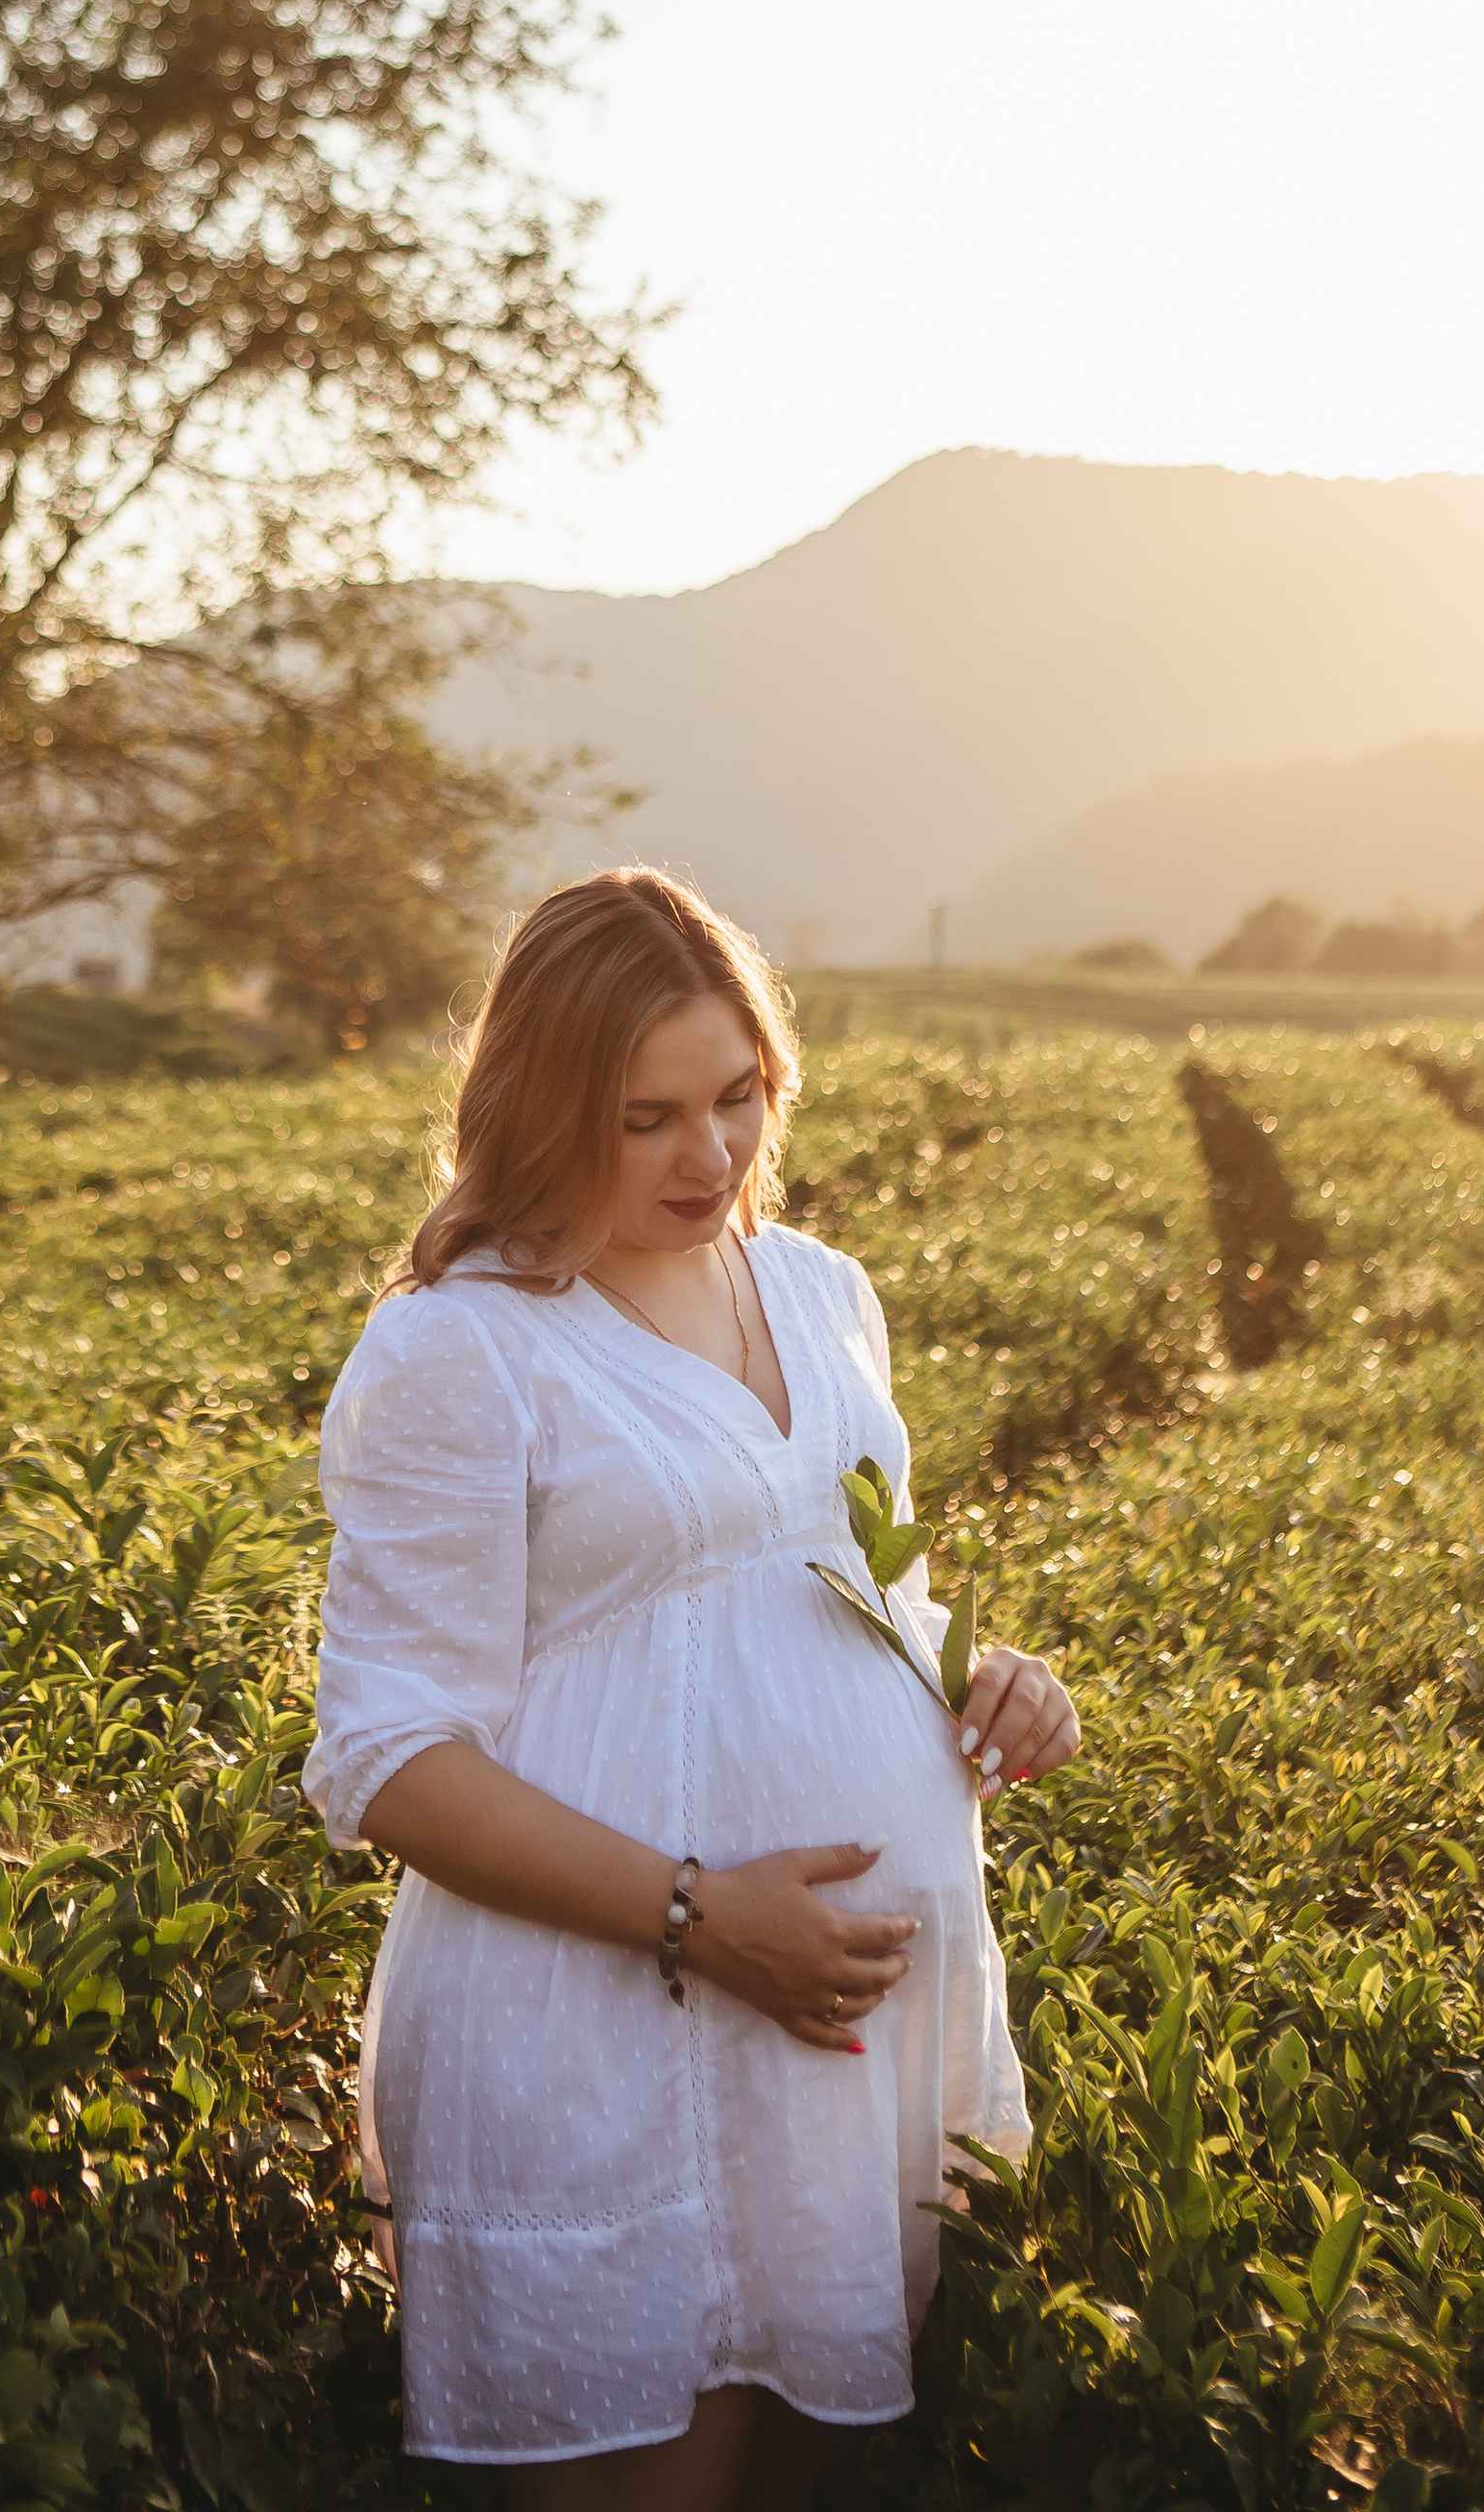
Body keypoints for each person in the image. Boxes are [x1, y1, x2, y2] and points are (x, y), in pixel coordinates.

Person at [302, 868, 1082, 2507]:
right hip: (607, 2023)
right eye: (645, 1117)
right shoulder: (467, 1346)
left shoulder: (819, 1289)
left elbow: (869, 1591)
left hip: (844, 2027)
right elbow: (390, 1756)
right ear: (539, 1106)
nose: (708, 1158)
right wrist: (700, 1915)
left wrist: (987, 1677)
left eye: (737, 1098)